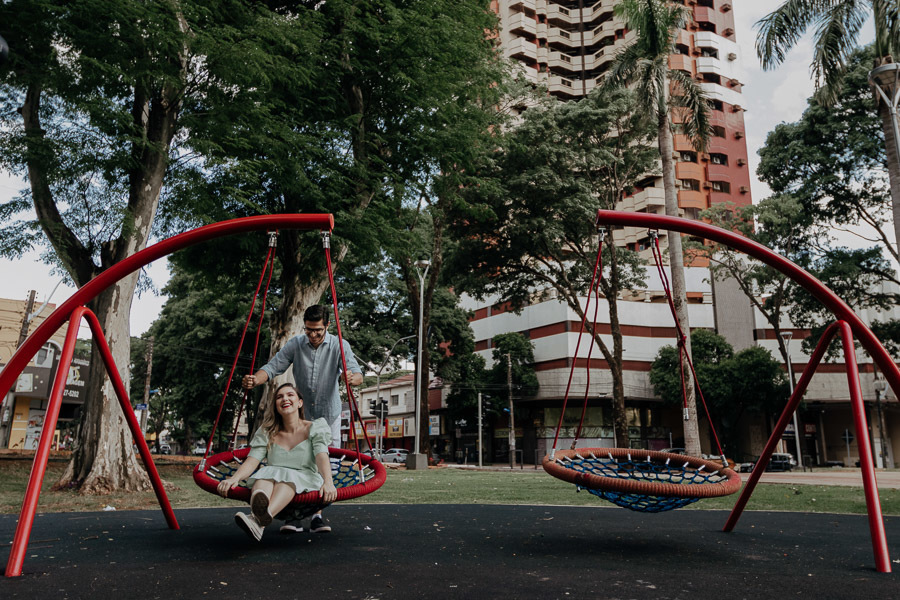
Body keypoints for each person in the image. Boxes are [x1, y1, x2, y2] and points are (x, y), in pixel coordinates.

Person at [242, 304, 363, 533]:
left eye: (318, 330)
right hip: (302, 416)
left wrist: (351, 378)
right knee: (294, 464)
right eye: (309, 330)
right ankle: (292, 517)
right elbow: (273, 367)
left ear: (327, 325)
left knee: (326, 468)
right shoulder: (296, 344)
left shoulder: (339, 345)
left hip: (329, 416)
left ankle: (316, 515)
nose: (313, 335)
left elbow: (357, 373)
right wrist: (255, 380)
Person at [217, 383, 337, 541]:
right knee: (266, 475)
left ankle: (257, 519)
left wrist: (328, 482)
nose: (284, 398)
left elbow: (322, 456)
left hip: (303, 479)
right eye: (279, 397)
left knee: (286, 479)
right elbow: (253, 460)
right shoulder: (267, 431)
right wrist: (235, 478)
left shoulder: (315, 428)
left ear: (300, 402)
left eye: (290, 395)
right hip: (273, 477)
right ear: (275, 405)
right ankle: (259, 523)